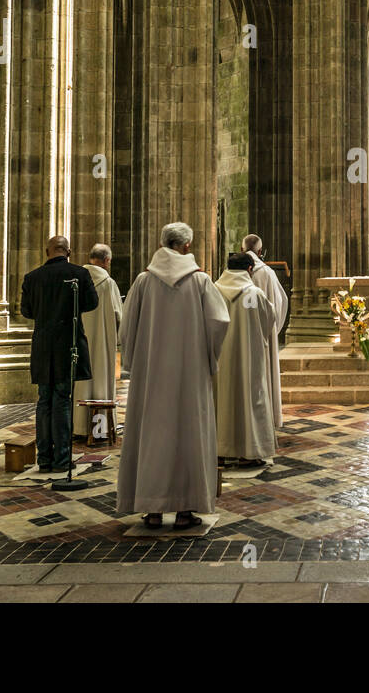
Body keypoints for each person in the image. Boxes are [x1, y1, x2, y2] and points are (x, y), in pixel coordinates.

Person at [117, 222, 230, 530]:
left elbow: (127, 328)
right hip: (189, 375)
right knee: (188, 434)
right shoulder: (200, 281)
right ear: (187, 246)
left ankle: (152, 509)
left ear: (162, 244)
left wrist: (132, 363)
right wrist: (209, 358)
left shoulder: (143, 281)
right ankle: (184, 511)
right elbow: (219, 322)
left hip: (150, 375)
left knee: (152, 434)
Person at [20, 236, 98, 473]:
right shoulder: (79, 274)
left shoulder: (32, 278)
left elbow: (26, 311)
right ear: (69, 252)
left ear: (47, 252)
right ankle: (62, 460)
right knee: (62, 400)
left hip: (43, 347)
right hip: (68, 344)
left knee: (44, 401)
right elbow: (91, 303)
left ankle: (44, 459)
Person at [215, 252, 278, 466]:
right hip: (248, 357)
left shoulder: (213, 290)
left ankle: (219, 452)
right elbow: (268, 320)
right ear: (250, 269)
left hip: (219, 359)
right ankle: (248, 453)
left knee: (219, 401)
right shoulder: (254, 293)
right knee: (249, 400)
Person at [74, 243, 123, 440]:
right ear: (107, 261)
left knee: (80, 384)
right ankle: (99, 429)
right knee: (101, 382)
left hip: (79, 341)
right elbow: (119, 315)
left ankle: (78, 427)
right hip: (103, 343)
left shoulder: (77, 279)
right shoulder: (108, 283)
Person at [242, 234, 288, 428]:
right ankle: (267, 418)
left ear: (242, 249)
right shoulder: (267, 273)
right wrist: (273, 330)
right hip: (264, 333)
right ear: (260, 251)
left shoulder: (232, 272)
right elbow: (280, 303)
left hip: (240, 335)